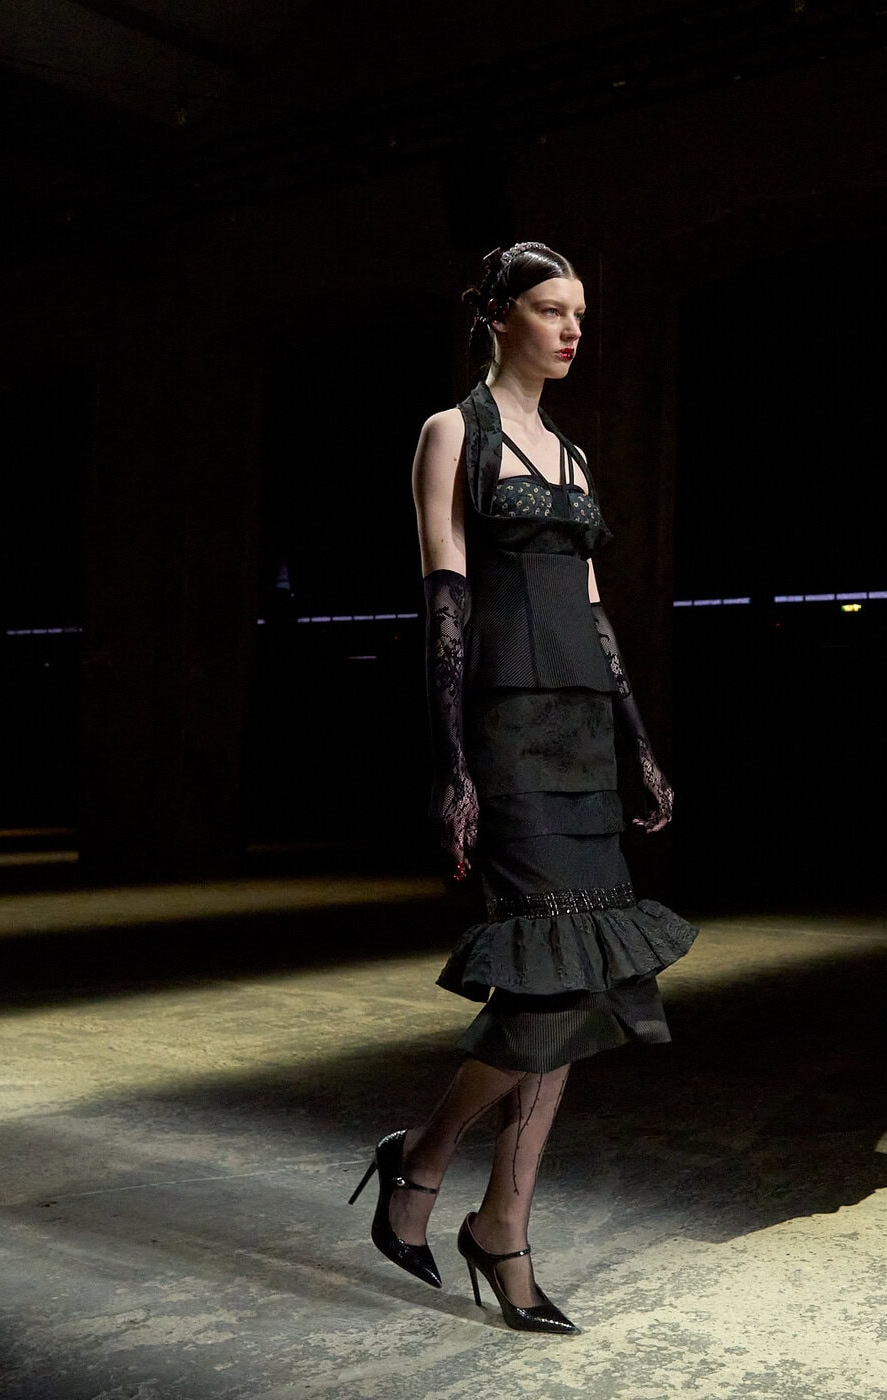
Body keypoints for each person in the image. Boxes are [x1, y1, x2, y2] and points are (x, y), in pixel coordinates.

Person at [347, 242, 697, 1334]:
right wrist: (453, 762)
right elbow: (445, 604)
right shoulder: (452, 433)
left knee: (584, 977)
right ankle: (425, 1157)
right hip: (505, 733)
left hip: (582, 734)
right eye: (551, 309)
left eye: (580, 311)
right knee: (544, 978)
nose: (572, 328)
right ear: (499, 315)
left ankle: (500, 1221)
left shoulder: (574, 458)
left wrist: (639, 743)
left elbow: (593, 612)